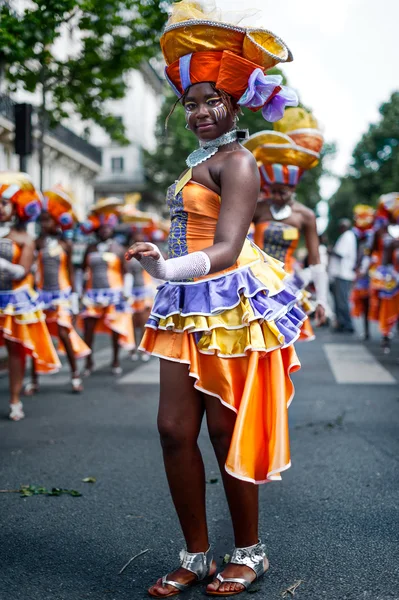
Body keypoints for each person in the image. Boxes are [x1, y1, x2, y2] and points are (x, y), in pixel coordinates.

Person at [125, 2, 306, 596]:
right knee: (173, 430)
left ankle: (250, 552)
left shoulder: (240, 161)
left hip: (227, 306)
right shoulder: (197, 163)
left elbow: (228, 247)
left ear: (234, 102)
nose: (201, 112)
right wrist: (164, 260)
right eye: (192, 102)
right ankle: (196, 553)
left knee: (227, 433)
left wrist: (164, 265)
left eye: (213, 101)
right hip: (183, 305)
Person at [244, 107, 328, 341]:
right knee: (256, 344)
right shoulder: (258, 209)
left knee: (282, 345)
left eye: (283, 192)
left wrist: (321, 299)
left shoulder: (305, 216)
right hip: (255, 285)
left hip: (288, 285)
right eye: (272, 191)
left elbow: (316, 261)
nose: (277, 196)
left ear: (294, 188)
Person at [0, 172, 61, 420]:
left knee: (16, 351)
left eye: (4, 203)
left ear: (18, 207)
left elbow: (21, 272)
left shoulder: (25, 238)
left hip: (13, 300)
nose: (1, 208)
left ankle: (15, 400)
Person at [25, 186, 91, 395]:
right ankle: (34, 380)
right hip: (41, 295)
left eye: (48, 219)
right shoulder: (37, 243)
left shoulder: (66, 244)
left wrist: (74, 300)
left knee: (63, 333)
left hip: (62, 294)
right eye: (41, 220)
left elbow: (72, 273)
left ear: (57, 220)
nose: (44, 223)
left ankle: (74, 375)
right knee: (38, 336)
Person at [79, 197, 135, 375]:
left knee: (115, 328)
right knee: (88, 328)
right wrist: (79, 293)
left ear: (112, 229)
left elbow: (126, 272)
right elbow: (82, 271)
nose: (104, 231)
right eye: (101, 228)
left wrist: (126, 292)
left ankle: (116, 361)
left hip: (114, 294)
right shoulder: (91, 248)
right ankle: (88, 362)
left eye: (107, 228)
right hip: (92, 294)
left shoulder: (119, 249)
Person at [368, 193, 399, 353]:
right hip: (388, 273)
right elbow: (373, 250)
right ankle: (385, 336)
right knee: (386, 305)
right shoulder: (381, 229)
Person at [350, 205, 375, 340]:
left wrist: (362, 269)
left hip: (374, 274)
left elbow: (369, 255)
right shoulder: (359, 237)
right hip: (365, 275)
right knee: (365, 303)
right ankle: (367, 331)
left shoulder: (372, 235)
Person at [329, 219, 357, 333]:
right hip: (340, 274)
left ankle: (347, 324)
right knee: (339, 301)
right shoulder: (347, 236)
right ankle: (341, 323)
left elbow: (341, 253)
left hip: (343, 274)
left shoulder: (347, 236)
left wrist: (330, 250)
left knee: (342, 301)